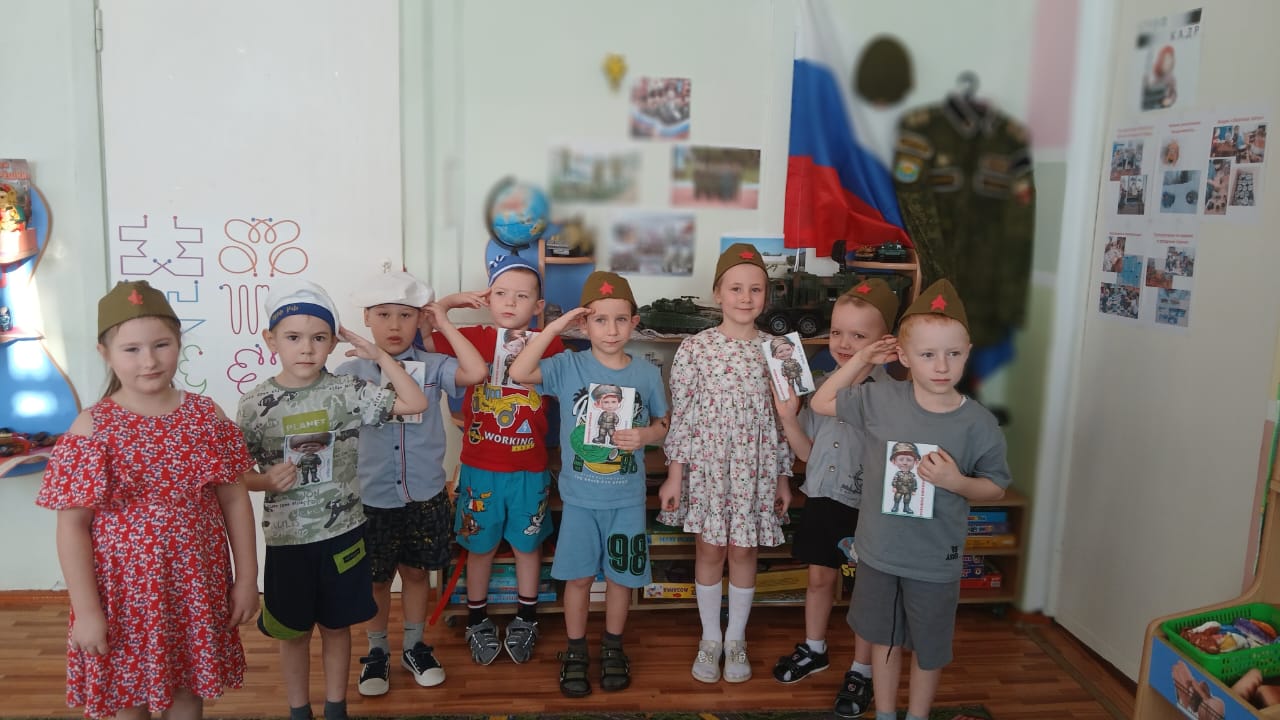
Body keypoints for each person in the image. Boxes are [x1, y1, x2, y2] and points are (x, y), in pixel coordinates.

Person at [36, 280, 258, 720]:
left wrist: (247, 578)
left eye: (161, 345)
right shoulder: (91, 428)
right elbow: (72, 526)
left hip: (195, 586)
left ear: (179, 343)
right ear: (105, 353)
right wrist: (87, 610)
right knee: (129, 697)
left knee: (187, 693)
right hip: (123, 596)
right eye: (132, 349)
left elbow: (235, 501)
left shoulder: (205, 416)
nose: (150, 361)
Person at [810, 279, 1012, 720]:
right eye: (927, 354)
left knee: (927, 648)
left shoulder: (978, 423)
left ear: (968, 352)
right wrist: (863, 357)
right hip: (879, 554)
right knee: (883, 641)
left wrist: (956, 481)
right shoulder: (879, 398)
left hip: (934, 561)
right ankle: (885, 714)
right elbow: (822, 401)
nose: (941, 366)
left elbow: (995, 486)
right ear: (902, 355)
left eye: (953, 353)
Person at [237, 280, 429, 720]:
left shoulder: (347, 390)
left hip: (343, 536)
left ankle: (337, 708)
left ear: (333, 342)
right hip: (287, 543)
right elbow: (235, 477)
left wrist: (378, 355)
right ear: (271, 340)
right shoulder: (254, 404)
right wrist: (264, 481)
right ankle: (299, 711)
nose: (306, 348)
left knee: (337, 627)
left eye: (319, 338)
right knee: (293, 634)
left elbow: (414, 400)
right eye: (293, 337)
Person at [508, 270, 669, 698]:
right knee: (578, 579)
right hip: (579, 499)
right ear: (584, 324)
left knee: (620, 579)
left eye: (621, 319)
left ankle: (613, 646)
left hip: (627, 499)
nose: (611, 330)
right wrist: (556, 327)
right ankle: (576, 649)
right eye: (599, 320)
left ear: (634, 323)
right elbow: (520, 370)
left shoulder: (646, 374)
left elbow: (664, 423)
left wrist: (646, 435)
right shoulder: (568, 365)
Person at [336, 271, 487, 696]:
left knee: (417, 574)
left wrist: (443, 320)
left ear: (419, 318)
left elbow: (476, 371)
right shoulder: (350, 371)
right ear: (367, 318)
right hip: (373, 496)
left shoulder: (434, 365)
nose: (394, 325)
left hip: (423, 492)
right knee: (377, 580)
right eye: (383, 314)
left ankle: (415, 647)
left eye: (405, 315)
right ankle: (377, 651)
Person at [657, 243, 794, 684]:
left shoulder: (779, 351)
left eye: (755, 289)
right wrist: (674, 475)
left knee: (745, 550)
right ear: (718, 293)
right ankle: (710, 637)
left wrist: (783, 478)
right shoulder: (695, 348)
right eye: (735, 288)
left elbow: (784, 421)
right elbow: (683, 415)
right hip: (708, 468)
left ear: (766, 296)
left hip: (756, 469)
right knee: (711, 548)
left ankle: (736, 638)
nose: (745, 297)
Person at [770, 279, 900, 718]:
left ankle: (863, 669)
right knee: (819, 578)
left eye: (858, 335)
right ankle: (815, 648)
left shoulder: (890, 396)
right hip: (824, 499)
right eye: (838, 332)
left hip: (867, 509)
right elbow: (808, 453)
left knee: (867, 591)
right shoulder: (822, 387)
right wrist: (789, 418)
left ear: (884, 341)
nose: (843, 344)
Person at [428, 253, 565, 665]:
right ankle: (476, 620)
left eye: (522, 296)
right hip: (479, 467)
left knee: (527, 547)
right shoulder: (476, 336)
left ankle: (526, 618)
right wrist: (450, 302)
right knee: (479, 548)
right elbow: (424, 329)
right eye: (501, 293)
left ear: (538, 306)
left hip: (529, 469)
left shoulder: (550, 342)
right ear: (487, 299)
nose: (510, 302)